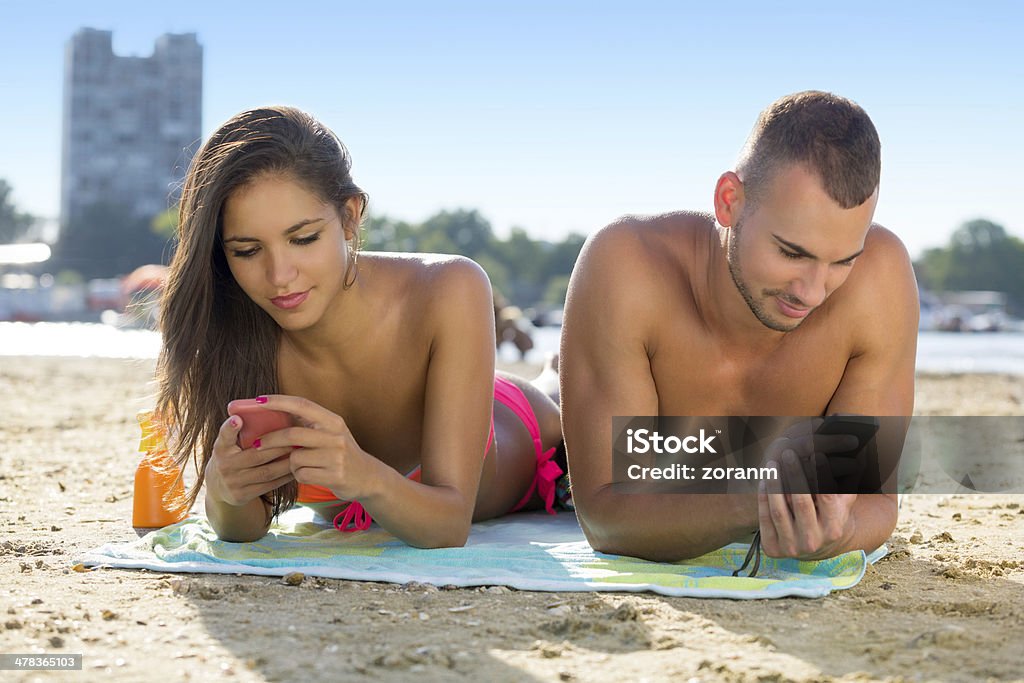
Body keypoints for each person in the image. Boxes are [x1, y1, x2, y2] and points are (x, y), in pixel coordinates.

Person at [154, 106, 563, 547]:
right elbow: (244, 527)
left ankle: (558, 369)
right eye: (248, 251)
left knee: (596, 414)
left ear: (349, 217)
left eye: (303, 238)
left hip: (527, 425)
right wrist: (223, 489)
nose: (279, 276)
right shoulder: (230, 325)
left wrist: (364, 475)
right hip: (456, 389)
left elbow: (449, 525)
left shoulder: (448, 287)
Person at [560, 91, 918, 563]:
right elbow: (605, 518)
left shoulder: (880, 280)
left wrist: (842, 529)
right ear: (729, 201)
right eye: (792, 253)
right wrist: (761, 501)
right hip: (558, 440)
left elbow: (875, 502)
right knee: (533, 421)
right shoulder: (629, 265)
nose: (812, 292)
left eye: (841, 262)